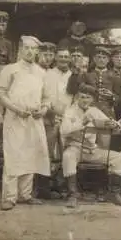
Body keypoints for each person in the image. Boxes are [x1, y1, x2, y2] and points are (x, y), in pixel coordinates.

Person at [0, 36, 50, 211]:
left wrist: (44, 109)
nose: (30, 51)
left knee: (31, 154)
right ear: (20, 49)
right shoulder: (10, 70)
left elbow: (47, 97)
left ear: (37, 52)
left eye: (33, 49)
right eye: (26, 48)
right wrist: (16, 109)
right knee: (13, 154)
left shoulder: (42, 72)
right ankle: (9, 197)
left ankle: (25, 194)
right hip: (15, 118)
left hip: (34, 119)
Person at [60, 84, 121, 208]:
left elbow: (112, 127)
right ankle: (73, 195)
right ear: (77, 98)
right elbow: (63, 131)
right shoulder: (70, 111)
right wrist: (82, 122)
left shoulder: (94, 111)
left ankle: (114, 194)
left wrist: (114, 125)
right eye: (82, 97)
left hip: (92, 149)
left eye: (88, 97)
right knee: (68, 156)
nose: (85, 100)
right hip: (76, 148)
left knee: (118, 158)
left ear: (92, 99)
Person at [38, 46, 74, 199]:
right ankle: (43, 188)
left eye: (66, 57)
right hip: (50, 118)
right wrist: (51, 112)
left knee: (65, 152)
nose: (63, 59)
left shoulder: (74, 75)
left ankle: (61, 187)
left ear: (70, 59)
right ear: (55, 58)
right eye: (61, 57)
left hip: (67, 118)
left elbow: (76, 98)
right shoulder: (47, 74)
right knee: (47, 152)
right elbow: (42, 96)